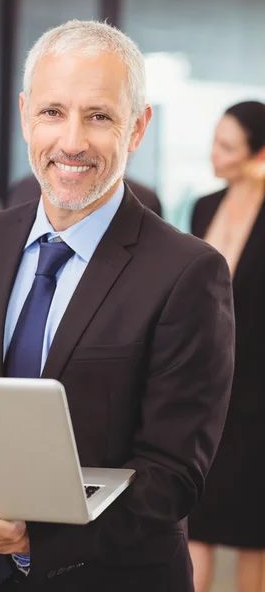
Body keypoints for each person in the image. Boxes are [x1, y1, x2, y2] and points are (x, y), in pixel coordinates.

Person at [0, 20, 234, 592]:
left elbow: (173, 476)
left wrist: (33, 541)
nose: (72, 141)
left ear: (137, 127)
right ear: (26, 114)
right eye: (53, 112)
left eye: (99, 116)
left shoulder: (187, 272)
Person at [188, 100, 265, 592]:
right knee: (194, 522)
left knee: (252, 534)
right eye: (215, 141)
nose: (214, 154)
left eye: (228, 146)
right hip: (204, 389)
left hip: (257, 397)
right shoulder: (204, 205)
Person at [5, 173, 163, 216]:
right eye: (52, 113)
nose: (72, 145)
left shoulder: (145, 199)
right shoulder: (23, 188)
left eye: (100, 117)